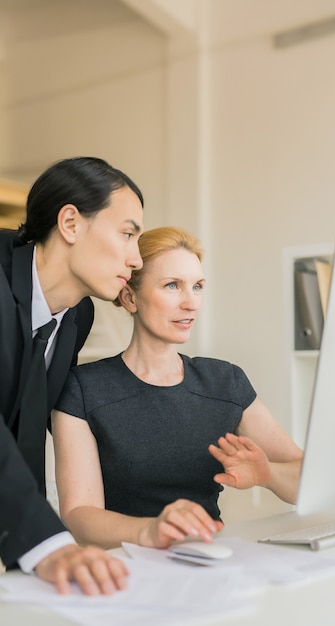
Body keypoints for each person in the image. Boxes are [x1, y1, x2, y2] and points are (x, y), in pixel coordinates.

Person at [52, 226, 303, 551]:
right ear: (130, 297)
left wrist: (268, 474)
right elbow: (79, 515)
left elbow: (305, 480)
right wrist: (150, 530)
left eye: (197, 287)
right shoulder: (84, 389)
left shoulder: (225, 382)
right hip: (122, 571)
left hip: (209, 563)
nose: (191, 303)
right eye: (172, 285)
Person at [0, 156, 145, 595]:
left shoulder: (77, 315)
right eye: (127, 234)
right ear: (70, 223)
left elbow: (31, 419)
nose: (136, 258)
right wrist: (46, 544)